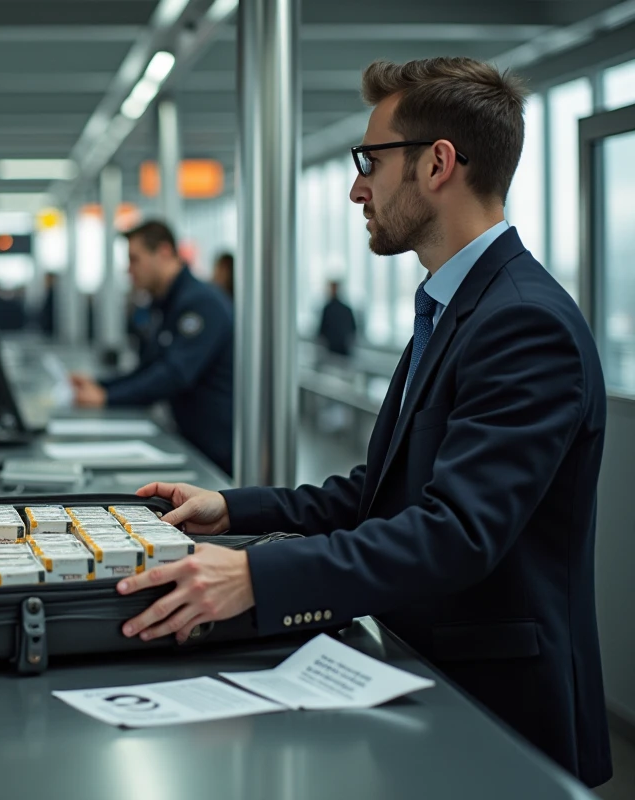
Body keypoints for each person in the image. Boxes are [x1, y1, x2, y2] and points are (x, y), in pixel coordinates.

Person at [117, 57, 611, 788]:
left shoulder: (522, 322)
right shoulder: (456, 308)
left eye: (370, 162)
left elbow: (454, 533)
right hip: (424, 683)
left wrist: (255, 574)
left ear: (438, 164)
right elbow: (382, 491)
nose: (357, 188)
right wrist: (232, 510)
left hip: (499, 716)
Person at [70, 221, 234, 474]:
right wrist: (101, 385)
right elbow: (149, 368)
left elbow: (174, 374)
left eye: (135, 259)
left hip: (215, 451)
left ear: (164, 252)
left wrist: (107, 397)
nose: (129, 269)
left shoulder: (200, 303)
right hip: (193, 441)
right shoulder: (168, 303)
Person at [317, 280, 357, 357]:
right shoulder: (346, 309)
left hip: (335, 348)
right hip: (339, 347)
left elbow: (321, 331)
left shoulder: (328, 309)